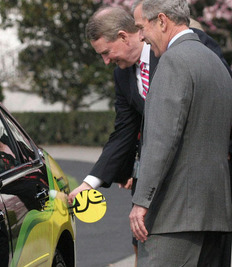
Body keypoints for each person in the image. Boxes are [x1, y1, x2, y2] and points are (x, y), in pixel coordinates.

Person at [67, 5, 232, 266]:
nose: (106, 61)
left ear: (124, 36)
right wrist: (90, 183)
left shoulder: (182, 54)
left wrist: (142, 201)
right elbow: (124, 131)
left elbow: (208, 111)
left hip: (184, 204)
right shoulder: (123, 76)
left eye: (106, 52)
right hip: (185, 202)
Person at [129, 0, 232, 265]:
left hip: (174, 216)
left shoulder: (174, 61)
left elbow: (162, 140)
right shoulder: (216, 63)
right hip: (217, 215)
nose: (141, 36)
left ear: (162, 21)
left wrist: (141, 202)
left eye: (142, 27)